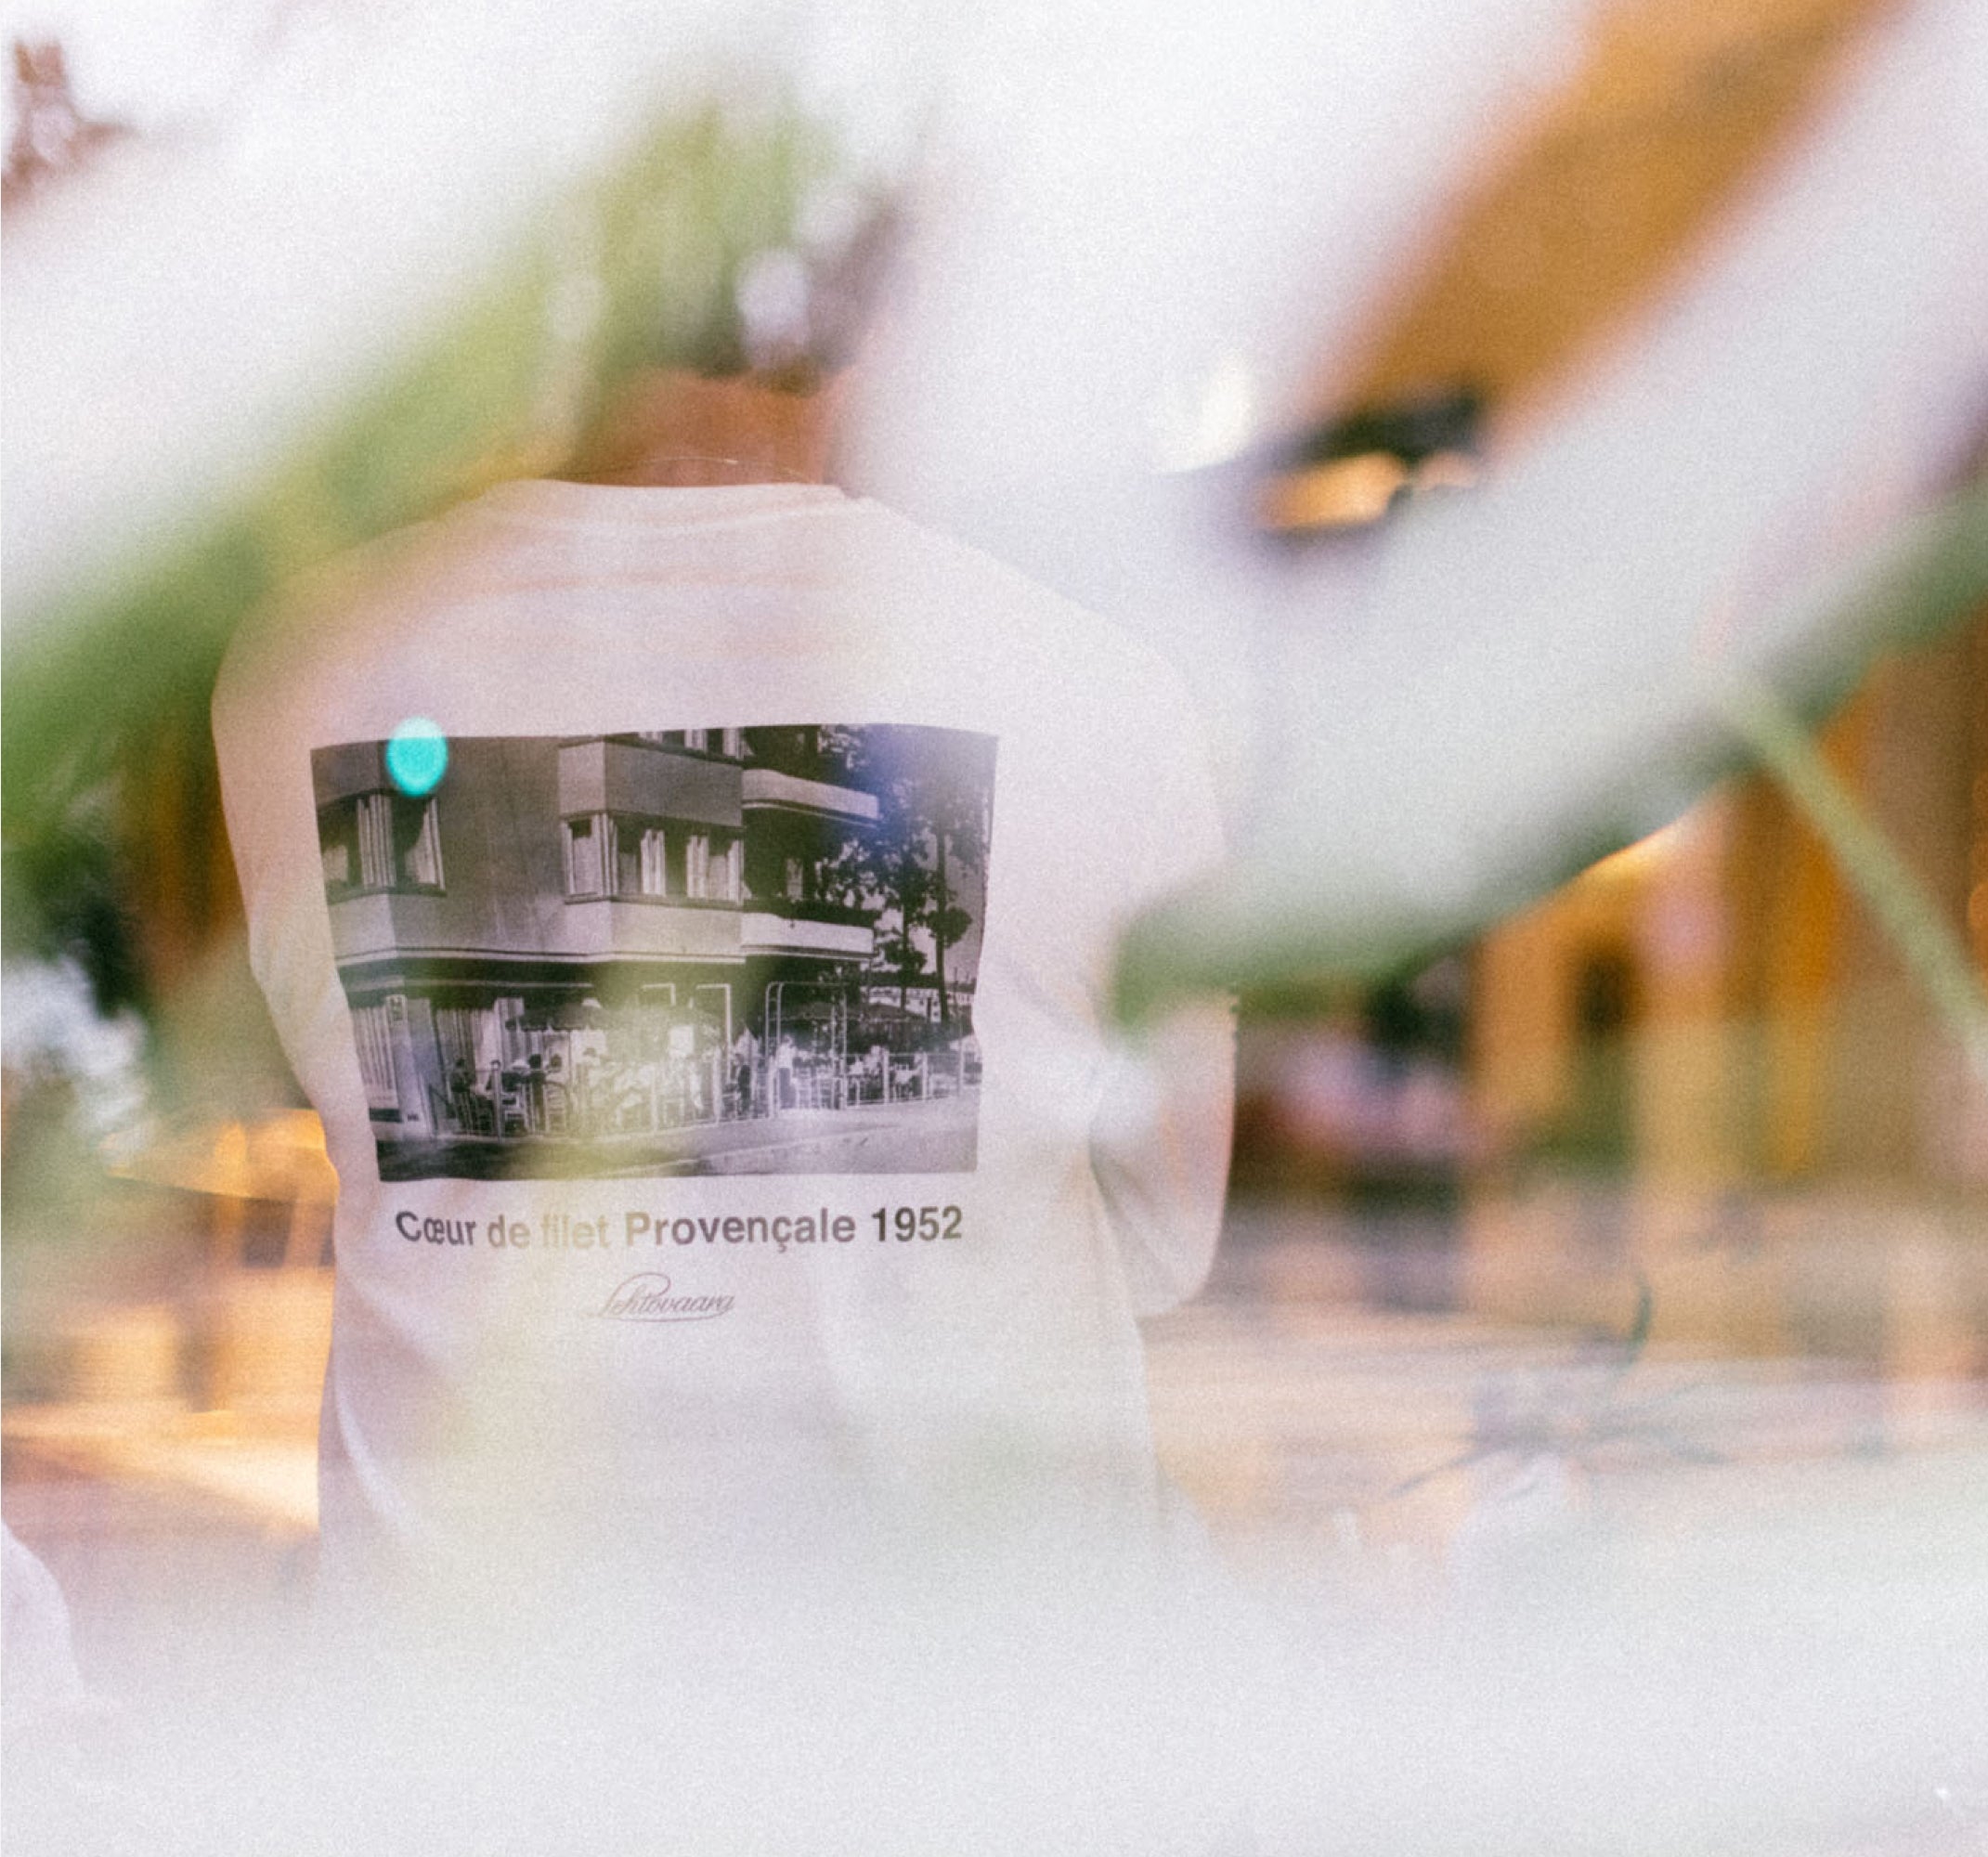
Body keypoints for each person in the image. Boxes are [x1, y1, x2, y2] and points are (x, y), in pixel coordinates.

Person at [212, 365, 1236, 1589]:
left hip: (460, 1663)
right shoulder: (1093, 689)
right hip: (964, 1663)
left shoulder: (307, 668)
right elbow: (1168, 1247)